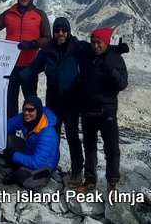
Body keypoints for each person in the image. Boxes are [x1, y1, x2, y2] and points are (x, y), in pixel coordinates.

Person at [19, 18, 130, 188]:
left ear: (69, 31)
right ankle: (48, 167)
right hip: (53, 100)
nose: (60, 34)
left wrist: (116, 49)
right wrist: (20, 80)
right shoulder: (47, 50)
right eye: (57, 30)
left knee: (72, 136)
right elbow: (33, 69)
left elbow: (98, 47)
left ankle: (77, 171)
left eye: (64, 30)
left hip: (71, 100)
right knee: (51, 135)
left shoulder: (78, 47)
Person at [75, 27, 128, 194]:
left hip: (107, 111)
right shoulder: (87, 56)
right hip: (88, 111)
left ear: (106, 43)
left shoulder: (115, 59)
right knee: (89, 147)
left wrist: (111, 71)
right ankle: (90, 181)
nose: (95, 46)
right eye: (93, 42)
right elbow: (76, 44)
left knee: (111, 148)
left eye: (99, 42)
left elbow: (122, 84)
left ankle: (112, 183)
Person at [0, 96, 59, 189]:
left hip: (44, 166)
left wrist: (13, 155)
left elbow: (37, 162)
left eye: (31, 110)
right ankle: (20, 168)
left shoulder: (48, 134)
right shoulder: (23, 117)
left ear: (38, 111)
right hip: (30, 151)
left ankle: (42, 178)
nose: (27, 113)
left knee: (23, 177)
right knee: (6, 140)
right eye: (25, 109)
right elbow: (5, 127)